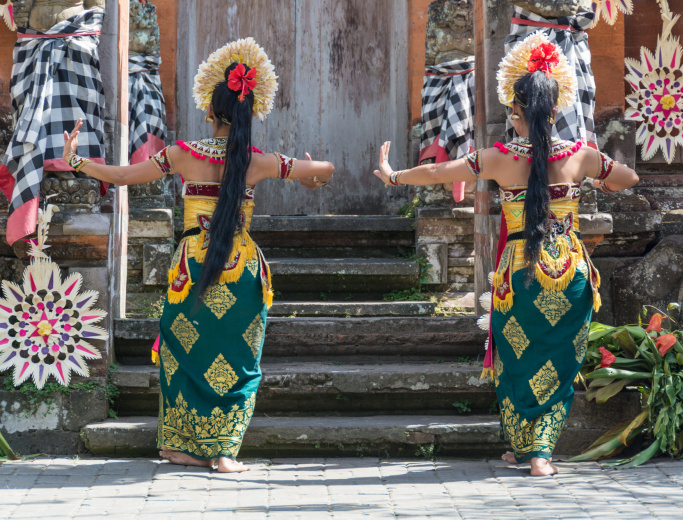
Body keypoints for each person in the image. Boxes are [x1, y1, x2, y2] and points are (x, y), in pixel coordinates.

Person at [62, 38, 335, 473]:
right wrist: (310, 180)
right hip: (241, 269)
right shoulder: (258, 161)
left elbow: (122, 176)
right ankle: (223, 451)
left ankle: (182, 446)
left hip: (191, 268)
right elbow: (324, 169)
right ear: (248, 112)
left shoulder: (181, 155)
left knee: (182, 353)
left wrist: (77, 161)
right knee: (239, 361)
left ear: (211, 111)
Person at [373, 33, 638, 476]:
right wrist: (604, 180)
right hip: (570, 271)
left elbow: (440, 170)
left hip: (520, 274)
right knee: (557, 361)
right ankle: (540, 454)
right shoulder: (583, 157)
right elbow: (627, 177)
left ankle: (524, 447)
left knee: (518, 360)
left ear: (517, 112)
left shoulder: (497, 159)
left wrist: (393, 175)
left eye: (513, 112)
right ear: (556, 112)